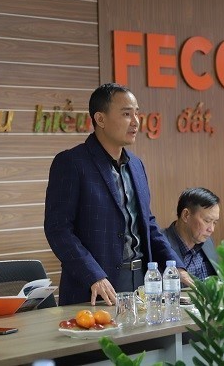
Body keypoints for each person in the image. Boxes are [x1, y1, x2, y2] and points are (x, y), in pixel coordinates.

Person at [44, 83, 190, 306]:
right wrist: (94, 275)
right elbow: (58, 230)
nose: (136, 122)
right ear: (100, 119)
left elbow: (148, 223)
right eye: (126, 114)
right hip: (95, 286)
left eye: (137, 113)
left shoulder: (136, 165)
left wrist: (174, 265)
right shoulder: (72, 163)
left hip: (143, 280)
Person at [162, 187, 220, 281]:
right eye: (207, 221)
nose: (211, 229)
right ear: (186, 215)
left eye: (215, 222)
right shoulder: (161, 245)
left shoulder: (207, 242)